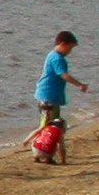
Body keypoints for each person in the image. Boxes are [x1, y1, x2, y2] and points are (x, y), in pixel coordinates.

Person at [33, 30, 80, 163]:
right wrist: (79, 85)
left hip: (52, 97)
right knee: (48, 127)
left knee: (50, 125)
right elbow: (63, 75)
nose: (70, 52)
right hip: (48, 97)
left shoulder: (53, 56)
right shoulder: (57, 58)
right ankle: (42, 153)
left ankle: (44, 153)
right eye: (70, 48)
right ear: (63, 44)